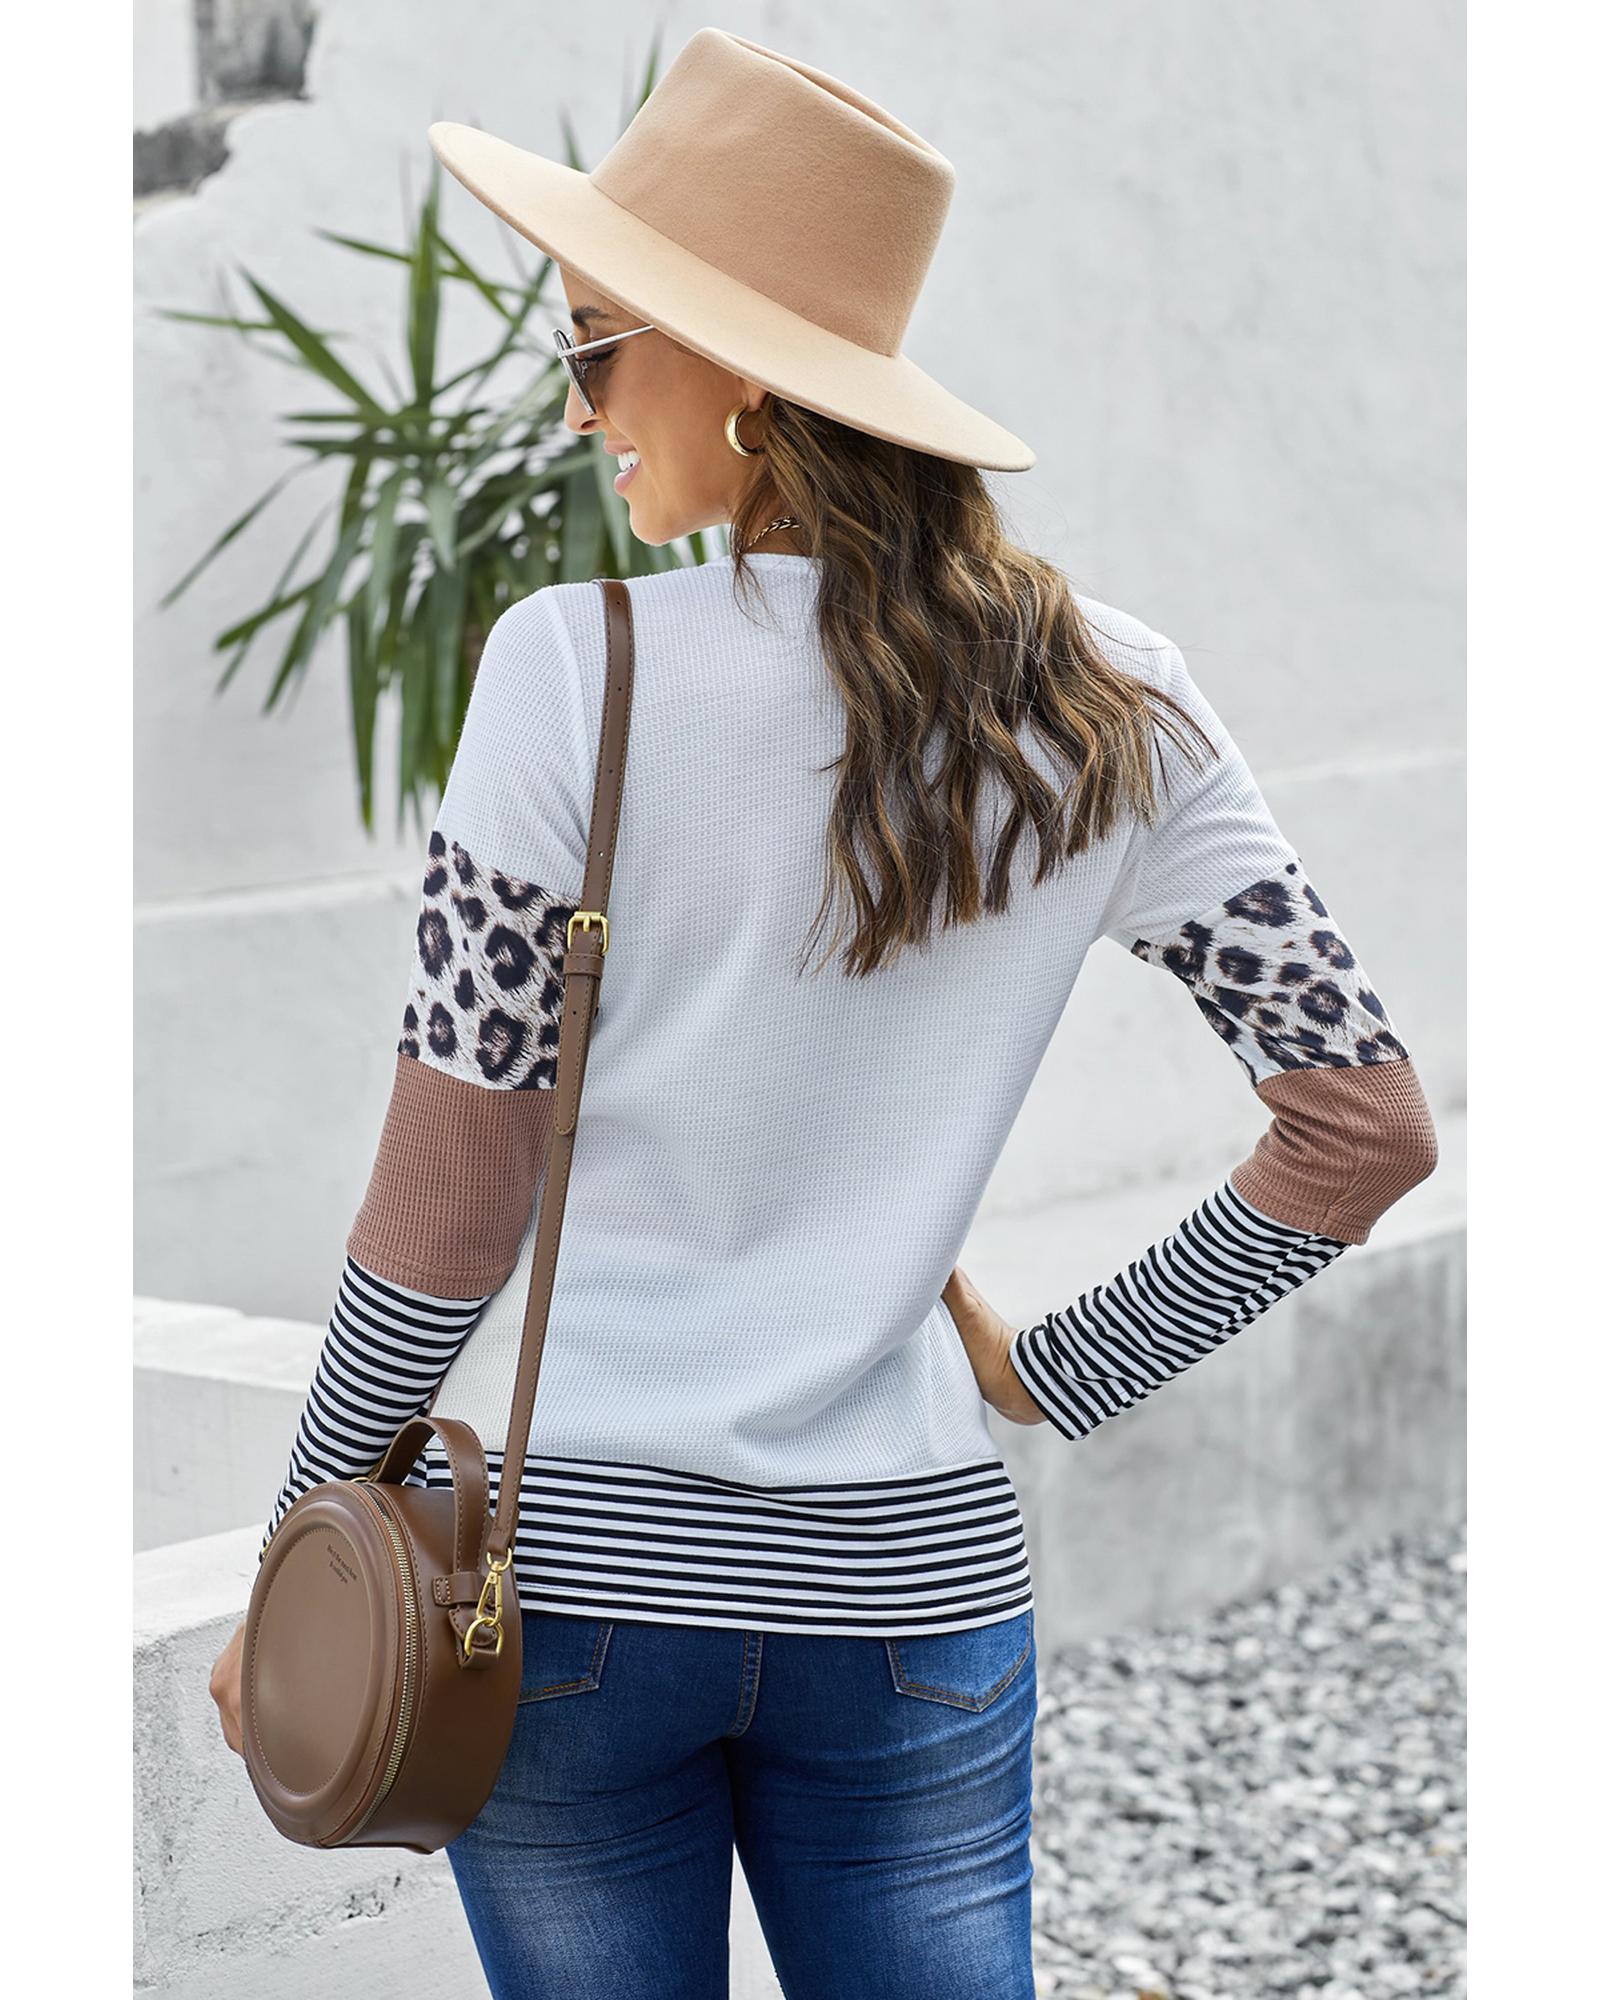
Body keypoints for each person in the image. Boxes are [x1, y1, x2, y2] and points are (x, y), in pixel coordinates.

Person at [208, 28, 1437, 2000]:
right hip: (913, 1587)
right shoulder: (1111, 696)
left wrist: (302, 1543)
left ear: (748, 375)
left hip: (578, 1599)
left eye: (597, 347)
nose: (578, 404)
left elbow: (452, 1199)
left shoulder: (570, 668)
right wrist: (1061, 1372)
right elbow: (1361, 1129)